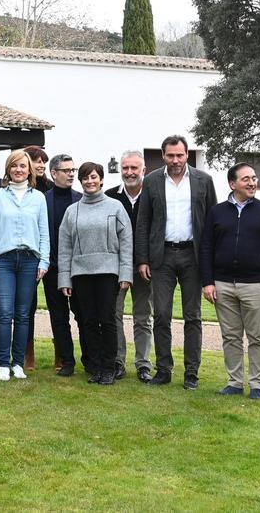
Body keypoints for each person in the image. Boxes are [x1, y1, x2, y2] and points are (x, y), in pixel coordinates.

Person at [135, 135, 217, 389]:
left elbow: (213, 221)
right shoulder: (151, 181)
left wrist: (210, 262)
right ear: (163, 156)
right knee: (161, 315)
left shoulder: (204, 180)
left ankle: (192, 372)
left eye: (180, 155)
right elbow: (143, 222)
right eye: (170, 155)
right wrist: (143, 259)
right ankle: (164, 369)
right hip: (162, 257)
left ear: (187, 155)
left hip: (193, 256)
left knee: (193, 316)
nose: (176, 160)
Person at [200, 163, 260, 400]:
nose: (252, 182)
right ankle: (235, 382)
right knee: (231, 336)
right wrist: (208, 282)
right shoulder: (216, 212)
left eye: (254, 178)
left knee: (257, 337)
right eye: (246, 179)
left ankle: (257, 385)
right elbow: (206, 248)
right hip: (223, 284)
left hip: (255, 285)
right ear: (232, 184)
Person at [57, 162, 132, 384]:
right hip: (81, 274)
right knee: (88, 321)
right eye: (85, 178)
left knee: (107, 320)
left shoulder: (115, 207)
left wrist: (125, 274)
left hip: (109, 272)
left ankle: (110, 367)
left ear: (101, 179)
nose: (90, 182)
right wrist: (65, 278)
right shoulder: (72, 211)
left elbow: (126, 242)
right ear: (81, 181)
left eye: (93, 177)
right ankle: (96, 367)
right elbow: (65, 247)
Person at [0, 149, 49, 382]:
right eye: (14, 166)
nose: (19, 170)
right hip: (4, 260)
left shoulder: (39, 198)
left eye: (23, 166)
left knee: (22, 314)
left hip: (31, 261)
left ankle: (18, 363)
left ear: (29, 170)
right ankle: (2, 364)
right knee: (4, 313)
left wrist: (44, 261)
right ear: (8, 169)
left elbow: (44, 233)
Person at [107, 150, 154, 383]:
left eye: (134, 168)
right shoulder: (110, 197)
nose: (129, 172)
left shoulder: (154, 196)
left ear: (143, 170)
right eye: (125, 168)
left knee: (143, 316)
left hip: (145, 267)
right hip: (116, 267)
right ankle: (117, 361)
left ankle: (144, 364)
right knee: (114, 314)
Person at [42, 153, 81, 376]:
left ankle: (90, 359)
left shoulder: (81, 199)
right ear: (53, 173)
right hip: (52, 268)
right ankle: (67, 362)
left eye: (73, 170)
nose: (71, 174)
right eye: (67, 171)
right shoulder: (42, 200)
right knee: (58, 317)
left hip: (78, 269)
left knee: (83, 316)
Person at [20, 145, 52, 369]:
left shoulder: (50, 189)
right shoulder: (21, 191)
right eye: (36, 160)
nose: (41, 165)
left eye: (43, 161)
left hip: (49, 254)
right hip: (28, 255)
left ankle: (61, 352)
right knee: (26, 307)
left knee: (56, 304)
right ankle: (26, 352)